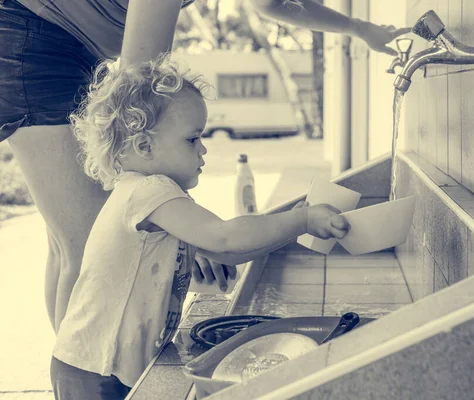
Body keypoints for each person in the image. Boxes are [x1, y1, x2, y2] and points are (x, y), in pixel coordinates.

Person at [0, 0, 409, 334]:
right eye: (196, 140)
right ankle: (84, 374)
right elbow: (141, 105)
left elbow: (276, 4)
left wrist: (359, 28)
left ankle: (76, 372)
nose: (203, 150)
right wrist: (187, 224)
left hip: (61, 44)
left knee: (67, 241)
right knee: (84, 243)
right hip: (32, 42)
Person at [49, 54, 350, 399]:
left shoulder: (155, 196)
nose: (203, 150)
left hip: (99, 364)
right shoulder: (149, 191)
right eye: (192, 140)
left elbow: (233, 254)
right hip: (92, 369)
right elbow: (225, 237)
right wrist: (303, 218)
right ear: (144, 146)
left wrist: (291, 228)